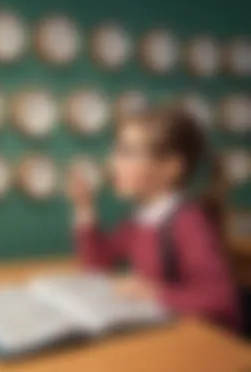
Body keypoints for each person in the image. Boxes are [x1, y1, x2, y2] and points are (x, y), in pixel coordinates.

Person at [67, 107, 240, 330]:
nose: (113, 163)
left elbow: (220, 298)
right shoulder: (141, 218)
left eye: (127, 153)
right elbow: (95, 263)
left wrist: (154, 293)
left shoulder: (188, 222)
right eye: (116, 152)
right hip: (167, 329)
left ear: (170, 168)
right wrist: (84, 207)